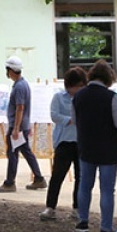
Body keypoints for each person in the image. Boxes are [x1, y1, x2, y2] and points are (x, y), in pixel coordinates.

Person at [72, 59, 117, 232]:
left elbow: (75, 119)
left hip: (86, 146)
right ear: (108, 78)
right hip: (108, 150)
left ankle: (82, 221)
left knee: (84, 186)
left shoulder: (78, 96)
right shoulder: (111, 97)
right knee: (106, 190)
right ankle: (105, 228)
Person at [40, 65, 87, 221]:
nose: (79, 89)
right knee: (57, 176)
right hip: (64, 141)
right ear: (69, 85)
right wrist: (70, 120)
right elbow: (54, 115)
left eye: (82, 86)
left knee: (81, 176)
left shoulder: (84, 98)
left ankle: (77, 208)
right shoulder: (59, 97)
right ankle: (50, 207)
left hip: (81, 141)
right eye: (77, 86)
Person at [0, 56, 47, 192]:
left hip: (17, 127)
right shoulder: (24, 84)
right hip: (22, 126)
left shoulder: (19, 87)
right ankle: (39, 178)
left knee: (13, 154)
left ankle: (10, 183)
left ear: (10, 70)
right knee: (26, 152)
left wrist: (16, 128)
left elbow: (20, 108)